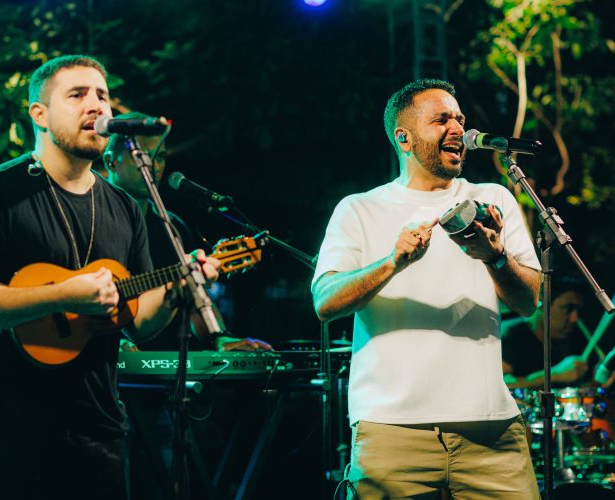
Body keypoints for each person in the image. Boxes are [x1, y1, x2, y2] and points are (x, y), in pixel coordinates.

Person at [0, 56, 219, 499]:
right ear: (39, 114)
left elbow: (139, 322)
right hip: (2, 426)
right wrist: (62, 295)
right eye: (78, 94)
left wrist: (178, 289)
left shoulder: (125, 208)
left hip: (96, 428)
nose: (96, 105)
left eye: (102, 95)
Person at [312, 79, 542, 499]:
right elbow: (326, 302)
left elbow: (529, 301)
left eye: (460, 119)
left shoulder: (493, 198)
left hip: (491, 429)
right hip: (392, 431)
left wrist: (494, 257)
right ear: (404, 138)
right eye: (441, 120)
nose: (457, 128)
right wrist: (393, 262)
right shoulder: (360, 208)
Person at [102, 114, 270, 499]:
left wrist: (220, 338)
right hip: (95, 379)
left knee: (165, 483)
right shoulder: (94, 213)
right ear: (111, 161)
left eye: (158, 159)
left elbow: (196, 298)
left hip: (157, 384)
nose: (153, 168)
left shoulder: (171, 227)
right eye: (141, 157)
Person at [502, 275, 589, 389]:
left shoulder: (571, 337)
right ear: (542, 303)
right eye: (568, 308)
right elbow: (500, 384)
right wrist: (554, 374)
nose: (574, 318)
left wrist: (599, 382)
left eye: (578, 310)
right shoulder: (511, 333)